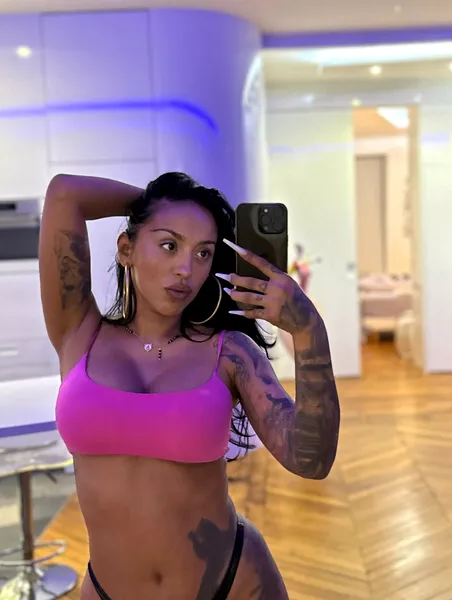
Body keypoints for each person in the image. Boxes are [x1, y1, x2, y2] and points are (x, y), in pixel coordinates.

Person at [39, 171, 340, 600]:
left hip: (232, 585)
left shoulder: (229, 352)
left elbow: (310, 460)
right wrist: (155, 202)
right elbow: (65, 193)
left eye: (203, 253)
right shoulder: (79, 332)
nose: (186, 269)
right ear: (126, 249)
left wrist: (309, 331)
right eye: (169, 245)